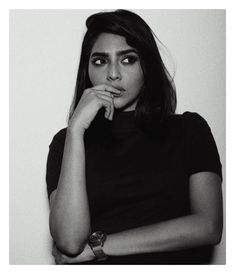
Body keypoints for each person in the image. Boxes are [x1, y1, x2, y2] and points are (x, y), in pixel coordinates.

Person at [46, 9, 223, 265]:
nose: (113, 74)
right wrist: (75, 130)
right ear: (87, 70)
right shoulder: (66, 143)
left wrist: (99, 247)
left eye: (128, 59)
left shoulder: (188, 130)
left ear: (147, 66)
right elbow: (70, 242)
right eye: (100, 61)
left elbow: (208, 226)